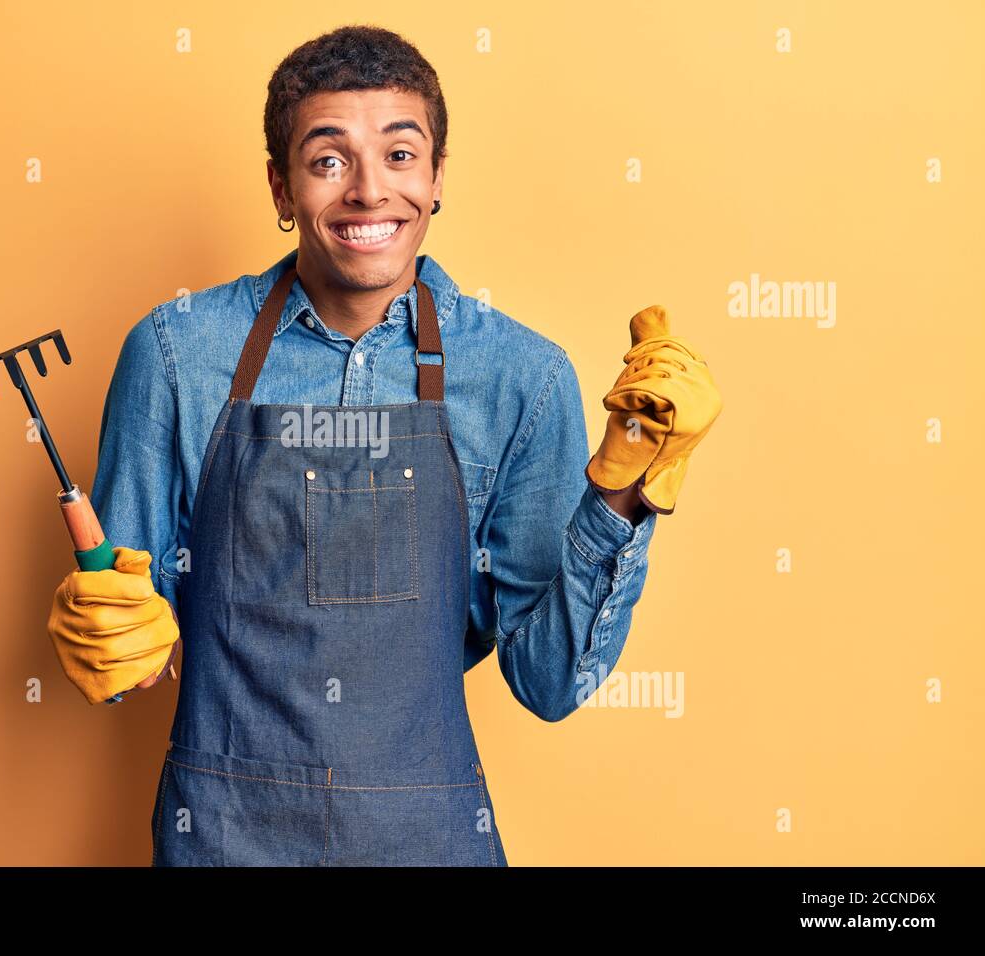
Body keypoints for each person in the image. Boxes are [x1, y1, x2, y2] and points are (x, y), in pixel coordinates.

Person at [46, 24, 722, 867]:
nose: (370, 191)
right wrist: (110, 637)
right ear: (281, 187)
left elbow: (550, 683)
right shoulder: (179, 354)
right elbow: (133, 644)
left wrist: (625, 490)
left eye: (401, 156)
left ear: (438, 178)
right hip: (220, 837)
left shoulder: (522, 378)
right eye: (329, 160)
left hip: (430, 842)